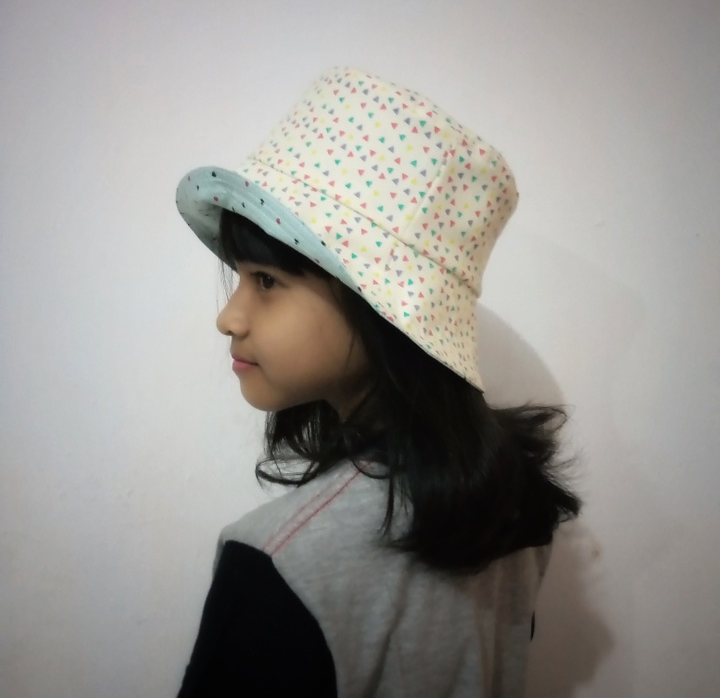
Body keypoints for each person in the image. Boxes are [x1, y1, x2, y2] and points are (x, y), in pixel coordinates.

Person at [174, 67, 581, 697]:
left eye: (267, 281)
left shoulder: (278, 562)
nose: (229, 317)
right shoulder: (514, 510)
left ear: (378, 310)